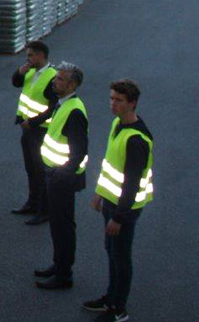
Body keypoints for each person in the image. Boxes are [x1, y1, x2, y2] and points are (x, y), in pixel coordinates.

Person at [82, 80, 153, 322]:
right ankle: (110, 297)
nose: (113, 104)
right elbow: (111, 164)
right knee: (111, 251)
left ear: (132, 103)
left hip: (125, 208)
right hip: (111, 201)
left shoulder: (136, 140)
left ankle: (119, 309)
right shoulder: (117, 124)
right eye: (111, 98)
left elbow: (132, 184)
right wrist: (100, 193)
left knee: (121, 256)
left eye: (119, 100)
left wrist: (119, 218)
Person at [34, 62, 89, 290]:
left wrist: (61, 175)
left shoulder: (74, 110)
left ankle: (64, 274)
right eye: (55, 77)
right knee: (57, 225)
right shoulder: (62, 102)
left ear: (72, 84)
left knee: (63, 226)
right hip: (55, 174)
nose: (54, 82)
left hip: (62, 178)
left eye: (59, 79)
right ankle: (58, 264)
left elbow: (79, 151)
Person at [12, 40, 58, 225]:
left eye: (31, 55)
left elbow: (52, 107)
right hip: (27, 129)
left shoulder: (52, 77)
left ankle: (44, 210)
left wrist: (32, 122)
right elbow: (15, 83)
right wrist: (19, 72)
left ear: (41, 55)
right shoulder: (30, 71)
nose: (28, 59)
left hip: (40, 130)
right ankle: (32, 203)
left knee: (41, 171)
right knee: (30, 169)